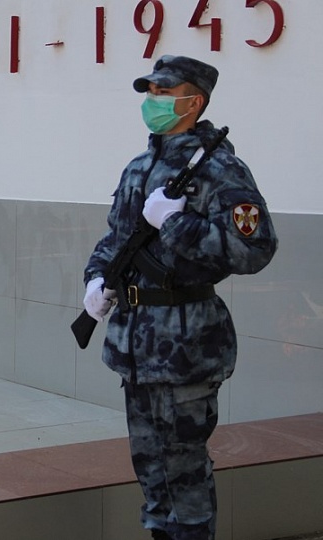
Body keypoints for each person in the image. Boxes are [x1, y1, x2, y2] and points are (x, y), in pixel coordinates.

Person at [82, 56, 277, 540]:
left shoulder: (220, 169)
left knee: (184, 466)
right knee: (149, 463)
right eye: (150, 93)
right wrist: (96, 279)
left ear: (194, 102)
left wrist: (175, 222)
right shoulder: (139, 166)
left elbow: (254, 250)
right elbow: (117, 238)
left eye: (164, 93)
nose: (154, 102)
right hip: (134, 343)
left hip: (186, 344)